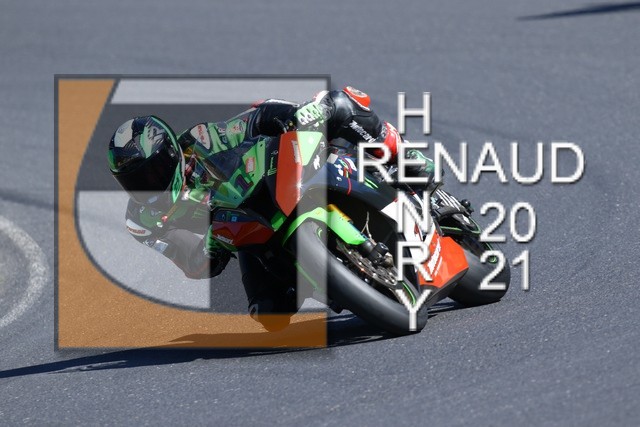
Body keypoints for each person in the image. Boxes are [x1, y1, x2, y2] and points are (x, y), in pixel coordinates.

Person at [107, 86, 435, 330]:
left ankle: (402, 154)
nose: (147, 186)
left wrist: (294, 117)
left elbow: (254, 118)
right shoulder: (143, 221)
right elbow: (193, 264)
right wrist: (210, 246)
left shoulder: (201, 140)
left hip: (277, 181)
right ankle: (336, 281)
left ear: (170, 155)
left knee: (336, 104)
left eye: (151, 173)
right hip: (248, 233)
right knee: (269, 314)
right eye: (133, 181)